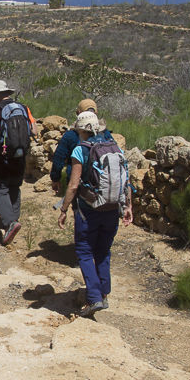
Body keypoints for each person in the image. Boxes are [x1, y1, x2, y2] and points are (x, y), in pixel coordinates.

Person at [57, 110, 133, 318]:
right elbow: (126, 181)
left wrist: (63, 209)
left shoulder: (80, 150)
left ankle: (94, 297)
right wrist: (128, 207)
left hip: (88, 209)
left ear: (81, 130)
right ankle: (104, 293)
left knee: (84, 250)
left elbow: (73, 185)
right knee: (103, 250)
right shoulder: (114, 147)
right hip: (112, 208)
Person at [0, 80, 37, 246]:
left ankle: (10, 223)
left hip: (2, 156)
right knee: (14, 186)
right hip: (21, 155)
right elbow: (34, 131)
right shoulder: (23, 108)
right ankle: (14, 218)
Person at [51, 98, 114, 196]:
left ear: (78, 113)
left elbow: (58, 159)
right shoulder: (105, 133)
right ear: (96, 113)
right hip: (103, 182)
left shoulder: (71, 135)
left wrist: (55, 179)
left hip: (80, 184)